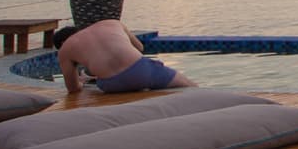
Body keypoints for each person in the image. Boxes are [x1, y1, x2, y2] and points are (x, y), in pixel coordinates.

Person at [51, 19, 195, 94]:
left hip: (109, 84)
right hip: (141, 71)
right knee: (190, 86)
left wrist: (81, 81)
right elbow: (139, 47)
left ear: (62, 42)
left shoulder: (65, 50)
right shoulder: (112, 23)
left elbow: (73, 89)